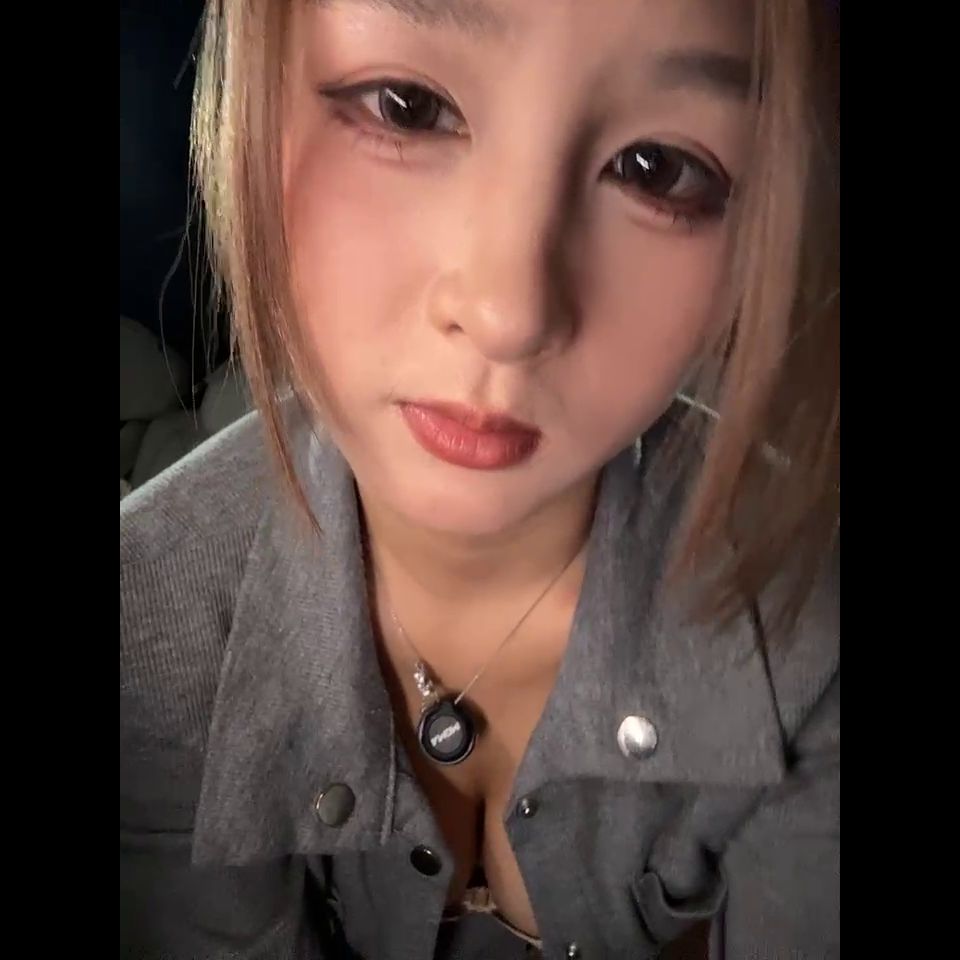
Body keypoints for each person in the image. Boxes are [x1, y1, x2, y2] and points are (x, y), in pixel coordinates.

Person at [120, 0, 840, 957]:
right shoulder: (146, 630)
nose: (511, 312)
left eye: (656, 168)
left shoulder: (810, 613)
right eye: (407, 106)